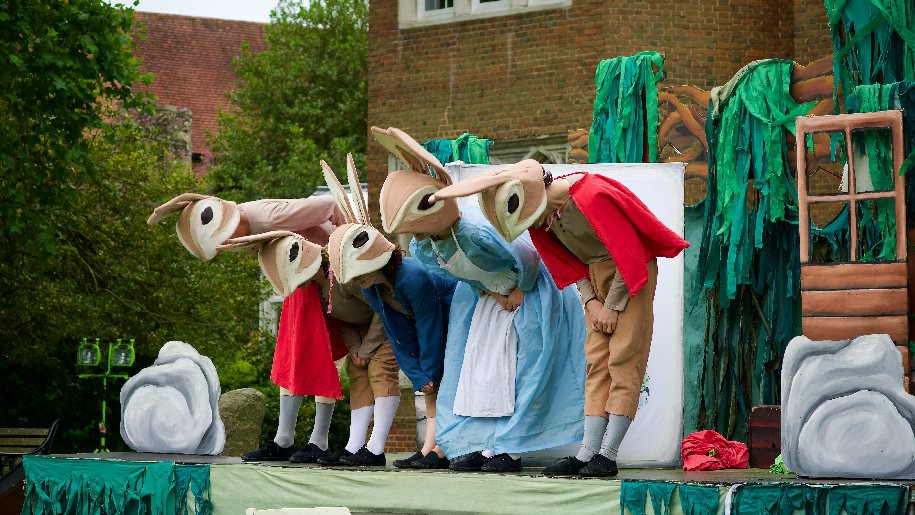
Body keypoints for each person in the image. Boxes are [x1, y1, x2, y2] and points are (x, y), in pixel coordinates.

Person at [432, 160, 689, 477]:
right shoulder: (543, 220)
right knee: (596, 360)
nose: (537, 226)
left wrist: (612, 305)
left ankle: (607, 455)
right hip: (596, 278)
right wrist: (592, 301)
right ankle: (587, 454)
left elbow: (630, 251)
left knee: (624, 358)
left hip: (629, 276)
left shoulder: (592, 196)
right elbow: (566, 261)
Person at [374, 127, 586, 473]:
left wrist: (518, 290)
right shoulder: (424, 245)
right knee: (473, 372)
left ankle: (511, 447)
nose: (412, 234)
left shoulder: (475, 228)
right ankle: (472, 443)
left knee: (524, 370)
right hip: (485, 300)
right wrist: (488, 291)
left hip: (529, 294)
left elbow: (529, 256)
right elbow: (462, 274)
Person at [148, 194, 349, 463]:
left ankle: (319, 441)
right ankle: (283, 439)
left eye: (227, 239)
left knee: (324, 357)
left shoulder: (269, 216)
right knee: (290, 358)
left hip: (322, 280)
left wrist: (347, 256)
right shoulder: (243, 227)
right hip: (296, 284)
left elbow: (331, 206)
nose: (228, 245)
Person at [218, 231, 402, 466]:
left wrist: (366, 348)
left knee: (380, 374)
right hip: (359, 333)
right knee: (358, 377)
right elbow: (341, 319)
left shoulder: (345, 279)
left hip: (385, 328)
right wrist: (356, 347)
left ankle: (375, 448)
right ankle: (354, 447)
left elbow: (381, 308)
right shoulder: (319, 288)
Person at [323, 158, 456, 468]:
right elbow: (397, 331)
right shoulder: (371, 288)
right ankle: (428, 449)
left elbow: (429, 325)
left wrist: (428, 371)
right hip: (423, 324)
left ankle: (440, 449)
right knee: (430, 388)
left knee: (442, 382)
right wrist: (417, 374)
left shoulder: (413, 278)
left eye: (359, 273)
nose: (357, 282)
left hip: (450, 315)